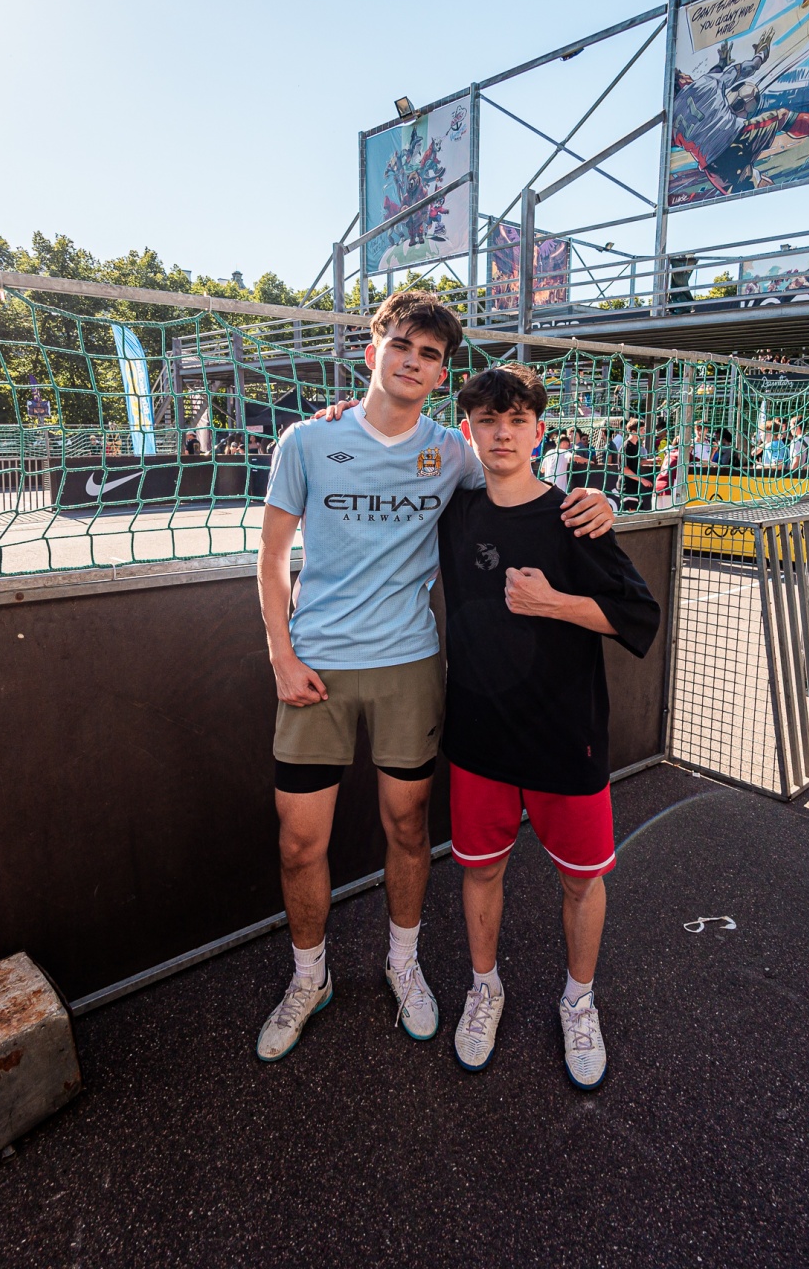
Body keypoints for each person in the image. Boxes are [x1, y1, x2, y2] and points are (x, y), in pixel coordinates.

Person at [251, 290, 615, 1064]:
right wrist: (281, 653)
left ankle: (404, 964)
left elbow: (519, 479)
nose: (414, 363)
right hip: (315, 665)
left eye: (431, 355)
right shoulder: (307, 441)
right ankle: (309, 978)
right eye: (402, 347)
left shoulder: (453, 452)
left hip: (409, 665)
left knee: (409, 828)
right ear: (372, 351)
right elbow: (274, 554)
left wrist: (596, 498)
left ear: (442, 373)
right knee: (298, 842)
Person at [437, 363, 660, 1088]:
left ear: (539, 431)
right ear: (470, 430)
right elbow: (389, 450)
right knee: (481, 870)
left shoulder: (574, 517)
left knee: (582, 881)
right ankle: (485, 989)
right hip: (480, 736)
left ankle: (578, 1001)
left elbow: (639, 616)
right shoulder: (455, 512)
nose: (502, 435)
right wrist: (341, 416)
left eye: (517, 421)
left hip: (567, 736)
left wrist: (554, 603)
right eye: (488, 422)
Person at [668, 30, 809, 197]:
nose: (688, 76)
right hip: (738, 139)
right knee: (783, 117)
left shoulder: (672, 120)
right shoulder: (706, 82)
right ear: (682, 80)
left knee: (759, 186)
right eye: (685, 75)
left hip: (715, 170)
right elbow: (748, 67)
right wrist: (761, 54)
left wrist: (721, 64)